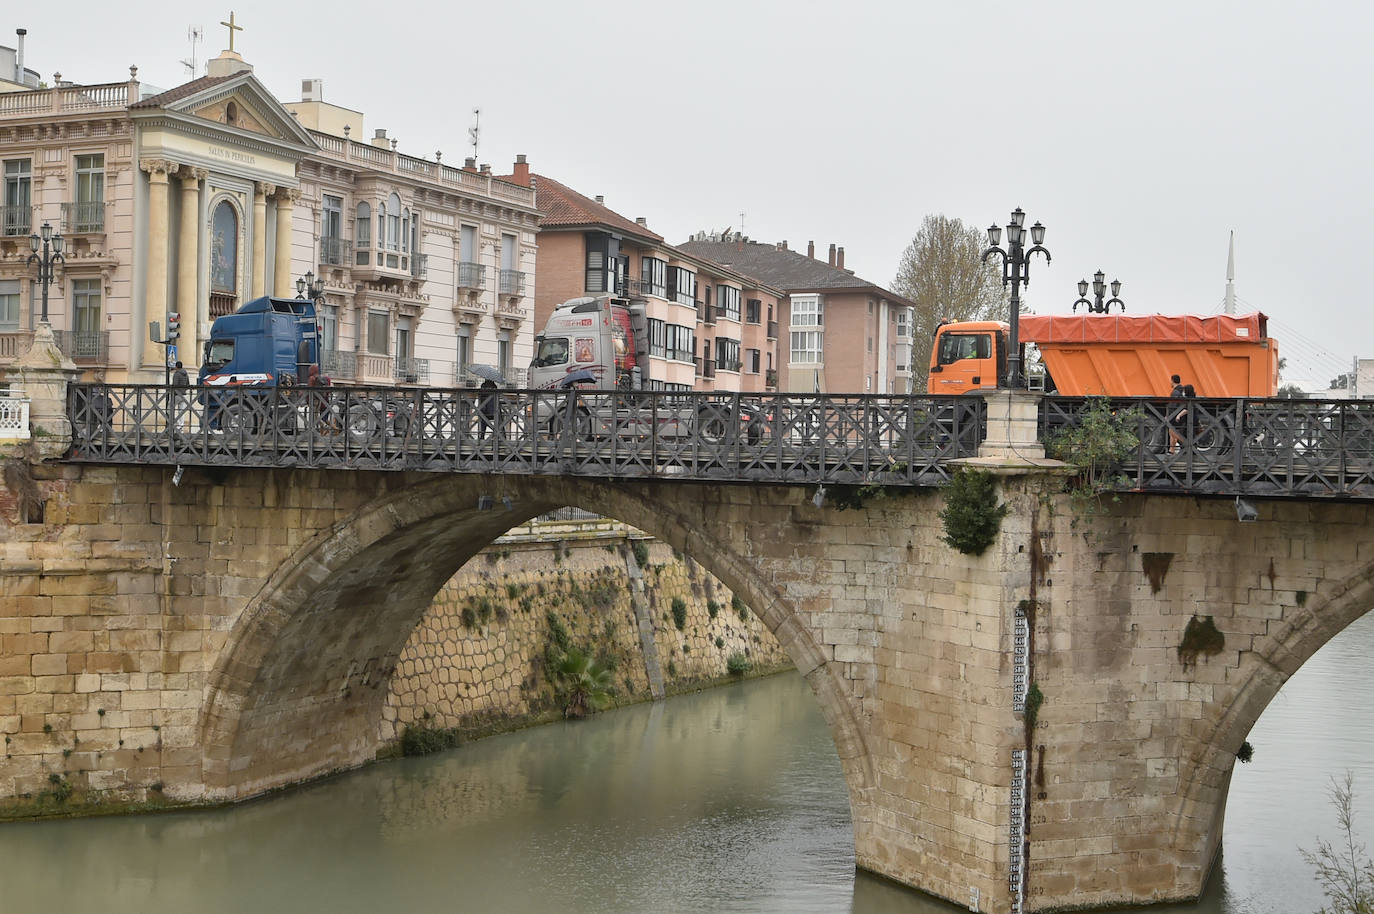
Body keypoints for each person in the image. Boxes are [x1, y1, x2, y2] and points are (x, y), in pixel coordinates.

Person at [1166, 374, 1193, 454]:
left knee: (1173, 432)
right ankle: (1172, 450)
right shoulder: (1182, 390)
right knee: (1172, 432)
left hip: (1175, 416)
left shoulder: (1175, 392)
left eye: (1170, 381)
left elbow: (1172, 406)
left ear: (1172, 381)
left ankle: (1187, 444)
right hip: (1180, 415)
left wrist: (1168, 416)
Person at [170, 361, 190, 433]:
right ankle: (180, 426)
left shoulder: (177, 374)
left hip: (177, 394)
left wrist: (174, 391)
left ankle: (174, 424)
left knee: (169, 408)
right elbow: (188, 384)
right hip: (184, 394)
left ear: (176, 367)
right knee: (181, 411)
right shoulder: (186, 374)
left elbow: (175, 385)